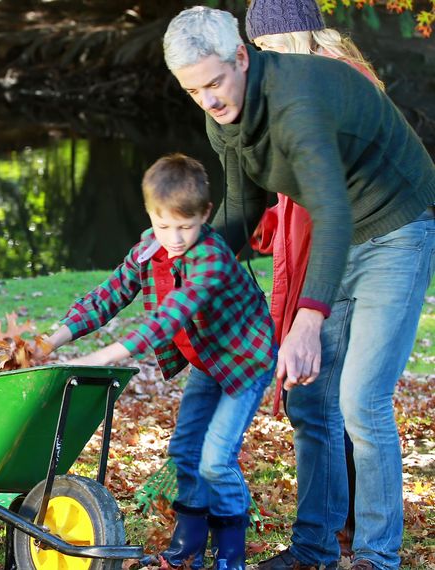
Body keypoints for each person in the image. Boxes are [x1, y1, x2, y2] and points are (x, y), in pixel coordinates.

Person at [163, 7, 435, 570]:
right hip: (342, 233)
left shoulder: (297, 101)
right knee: (312, 399)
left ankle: (376, 557)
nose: (209, 101)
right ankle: (313, 548)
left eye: (214, 84)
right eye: (194, 91)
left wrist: (307, 319)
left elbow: (330, 211)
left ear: (243, 56)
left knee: (361, 400)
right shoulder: (226, 114)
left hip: (396, 227)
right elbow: (240, 208)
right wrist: (183, 267)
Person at [42, 153, 275, 570]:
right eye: (164, 225)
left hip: (245, 365)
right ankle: (187, 547)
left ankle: (231, 556)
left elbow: (169, 318)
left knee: (216, 460)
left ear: (206, 213)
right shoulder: (149, 248)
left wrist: (104, 356)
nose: (176, 237)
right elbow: (107, 296)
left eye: (186, 226)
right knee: (185, 451)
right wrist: (52, 340)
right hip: (209, 362)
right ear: (151, 214)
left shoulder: (212, 257)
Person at [243, 0, 387, 561]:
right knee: (338, 406)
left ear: (299, 34)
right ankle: (340, 534)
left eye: (274, 48)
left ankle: (318, 547)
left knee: (317, 402)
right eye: (263, 54)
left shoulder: (329, 83)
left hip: (344, 261)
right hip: (338, 253)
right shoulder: (338, 75)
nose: (270, 63)